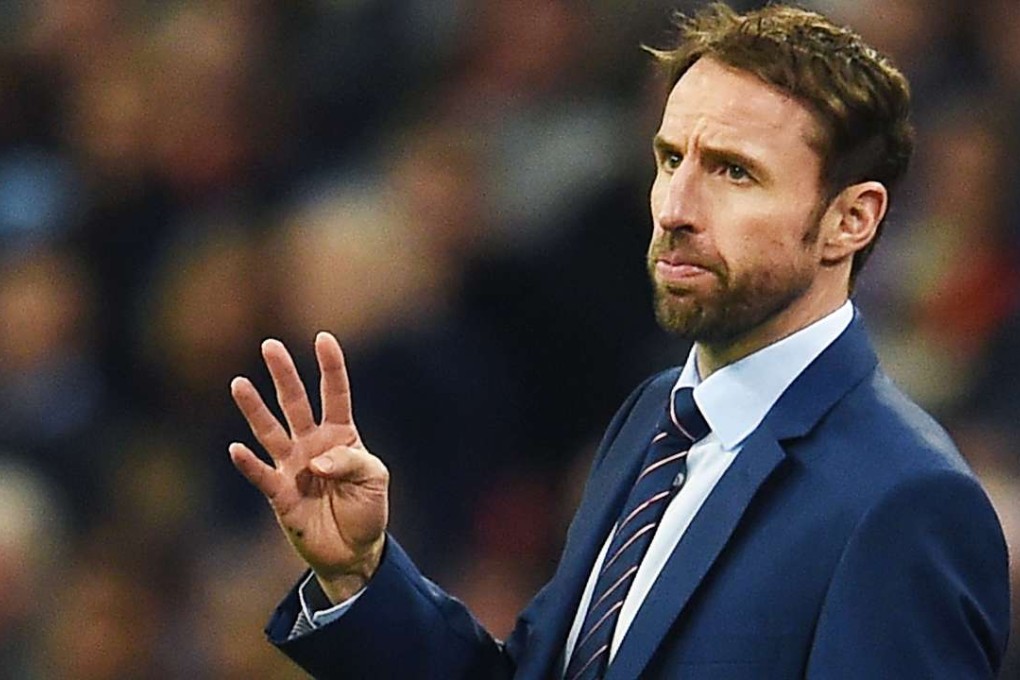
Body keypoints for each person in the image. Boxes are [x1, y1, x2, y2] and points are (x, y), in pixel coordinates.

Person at [228, 3, 1010, 678]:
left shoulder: (907, 502)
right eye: (671, 159)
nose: (675, 205)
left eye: (734, 172)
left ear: (852, 219)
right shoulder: (654, 419)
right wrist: (362, 574)